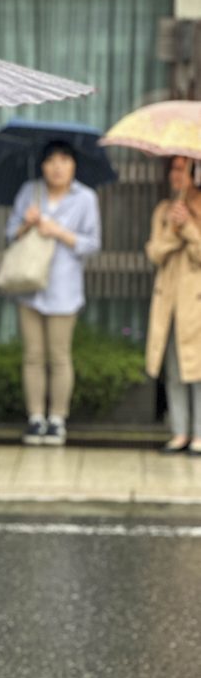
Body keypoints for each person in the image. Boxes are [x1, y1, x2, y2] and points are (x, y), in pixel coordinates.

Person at [6, 141, 102, 446]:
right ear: (42, 166)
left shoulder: (85, 198)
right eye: (51, 161)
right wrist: (27, 223)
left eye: (64, 160)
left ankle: (57, 419)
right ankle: (36, 418)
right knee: (33, 356)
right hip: (29, 285)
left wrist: (58, 232)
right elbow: (9, 233)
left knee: (59, 356)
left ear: (74, 165)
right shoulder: (29, 191)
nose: (57, 167)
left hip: (64, 288)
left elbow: (92, 244)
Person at [145, 156, 201, 455]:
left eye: (183, 169)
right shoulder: (164, 209)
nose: (177, 175)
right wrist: (173, 229)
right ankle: (179, 432)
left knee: (198, 368)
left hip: (196, 300)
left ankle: (200, 433)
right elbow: (155, 252)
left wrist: (190, 226)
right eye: (174, 169)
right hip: (169, 300)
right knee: (174, 368)